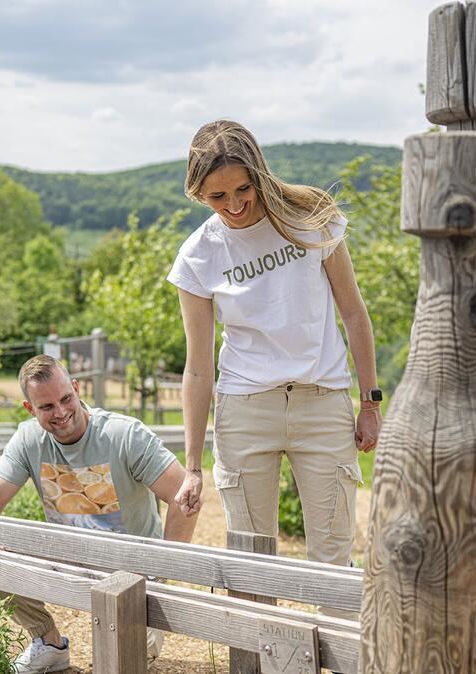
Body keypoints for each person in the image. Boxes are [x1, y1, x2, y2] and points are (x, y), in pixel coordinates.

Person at [166, 120, 381, 595]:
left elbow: (353, 313)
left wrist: (370, 403)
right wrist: (193, 466)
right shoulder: (197, 257)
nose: (234, 205)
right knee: (250, 566)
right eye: (218, 196)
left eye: (243, 189)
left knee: (333, 559)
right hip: (245, 410)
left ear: (259, 175)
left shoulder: (312, 218)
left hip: (322, 401)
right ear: (198, 193)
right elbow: (198, 368)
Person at [0, 355, 198, 674]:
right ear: (30, 409)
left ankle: (139, 627)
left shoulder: (124, 435)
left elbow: (184, 496)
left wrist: (162, 573)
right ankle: (48, 642)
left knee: (122, 663)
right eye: (46, 406)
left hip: (131, 575)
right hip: (66, 562)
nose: (61, 412)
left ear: (77, 389)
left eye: (66, 398)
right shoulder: (28, 439)